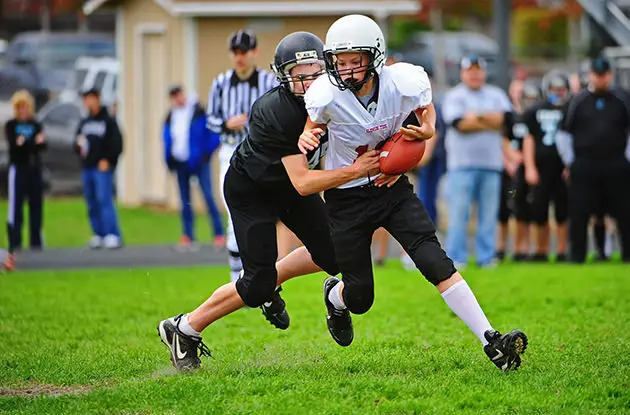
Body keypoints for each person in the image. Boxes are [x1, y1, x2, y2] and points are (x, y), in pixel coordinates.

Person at [300, 14, 527, 372]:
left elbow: (425, 110)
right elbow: (311, 128)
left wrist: (429, 128)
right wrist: (307, 138)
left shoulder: (403, 81)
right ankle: (335, 295)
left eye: (354, 61)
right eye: (339, 62)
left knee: (434, 260)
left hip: (392, 189)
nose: (345, 70)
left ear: (374, 57)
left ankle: (491, 341)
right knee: (360, 297)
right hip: (346, 197)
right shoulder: (325, 94)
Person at [157, 32, 380, 372]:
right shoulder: (275, 111)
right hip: (252, 191)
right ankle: (184, 327)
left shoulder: (336, 98)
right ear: (283, 75)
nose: (308, 80)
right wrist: (357, 171)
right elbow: (304, 182)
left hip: (289, 187)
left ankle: (279, 284)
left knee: (334, 254)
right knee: (255, 283)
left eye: (314, 70)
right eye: (299, 72)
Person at [206, 29, 278, 282]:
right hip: (230, 151)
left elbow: (279, 115)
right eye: (235, 52)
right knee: (234, 211)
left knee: (263, 212)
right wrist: (227, 124)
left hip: (260, 153)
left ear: (254, 53)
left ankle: (257, 273)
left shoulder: (269, 82)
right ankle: (237, 276)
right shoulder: (221, 83)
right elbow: (210, 120)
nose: (239, 57)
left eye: (244, 52)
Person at [441, 56, 512, 268]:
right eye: (470, 71)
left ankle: (486, 257)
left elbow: (507, 120)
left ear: (484, 72)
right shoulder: (454, 96)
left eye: (478, 70)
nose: (475, 74)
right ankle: (456, 257)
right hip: (461, 165)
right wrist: (491, 121)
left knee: (488, 216)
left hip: (491, 164)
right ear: (462, 74)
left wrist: (476, 117)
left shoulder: (497, 95)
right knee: (459, 214)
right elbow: (459, 124)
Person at [560, 56, 630, 263]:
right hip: (585, 163)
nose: (601, 79)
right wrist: (570, 162)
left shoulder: (622, 99)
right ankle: (578, 256)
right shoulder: (579, 100)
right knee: (580, 212)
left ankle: (627, 254)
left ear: (610, 75)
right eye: (597, 75)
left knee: (624, 212)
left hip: (615, 162)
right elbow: (564, 134)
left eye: (604, 75)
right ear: (591, 75)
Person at [163, 85, 224, 250]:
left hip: (199, 162)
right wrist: (169, 158)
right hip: (180, 163)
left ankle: (219, 234)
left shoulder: (198, 111)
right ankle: (188, 235)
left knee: (208, 197)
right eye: (174, 96)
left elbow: (214, 134)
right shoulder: (171, 116)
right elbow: (168, 137)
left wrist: (206, 153)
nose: (178, 98)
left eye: (179, 94)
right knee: (185, 201)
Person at [522, 70, 571, 262]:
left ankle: (561, 251)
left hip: (561, 167)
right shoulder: (535, 110)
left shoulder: (569, 109)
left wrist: (570, 164)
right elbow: (529, 139)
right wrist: (530, 167)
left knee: (562, 211)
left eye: (561, 89)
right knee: (539, 210)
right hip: (541, 167)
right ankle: (541, 250)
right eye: (553, 89)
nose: (557, 93)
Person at [74, 88, 123, 249]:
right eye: (86, 99)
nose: (88, 102)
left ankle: (112, 234)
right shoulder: (85, 122)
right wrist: (78, 146)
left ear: (97, 99)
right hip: (88, 167)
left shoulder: (108, 120)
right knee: (91, 201)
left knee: (104, 199)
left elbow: (117, 143)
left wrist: (108, 160)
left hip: (101, 168)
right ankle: (99, 233)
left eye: (91, 98)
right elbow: (77, 142)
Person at [499, 81, 540, 261]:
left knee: (526, 209)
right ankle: (502, 248)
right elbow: (503, 138)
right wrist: (510, 158)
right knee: (506, 209)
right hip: (511, 169)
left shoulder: (534, 116)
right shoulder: (509, 116)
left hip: (527, 169)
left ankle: (525, 248)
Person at [4, 90, 46, 252]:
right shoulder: (11, 125)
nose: (22, 110)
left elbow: (42, 146)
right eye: (19, 107)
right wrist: (31, 143)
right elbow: (15, 147)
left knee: (36, 207)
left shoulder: (36, 124)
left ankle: (36, 243)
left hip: (34, 169)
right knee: (16, 208)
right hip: (18, 169)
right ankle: (15, 242)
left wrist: (27, 143)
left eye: (25, 107)